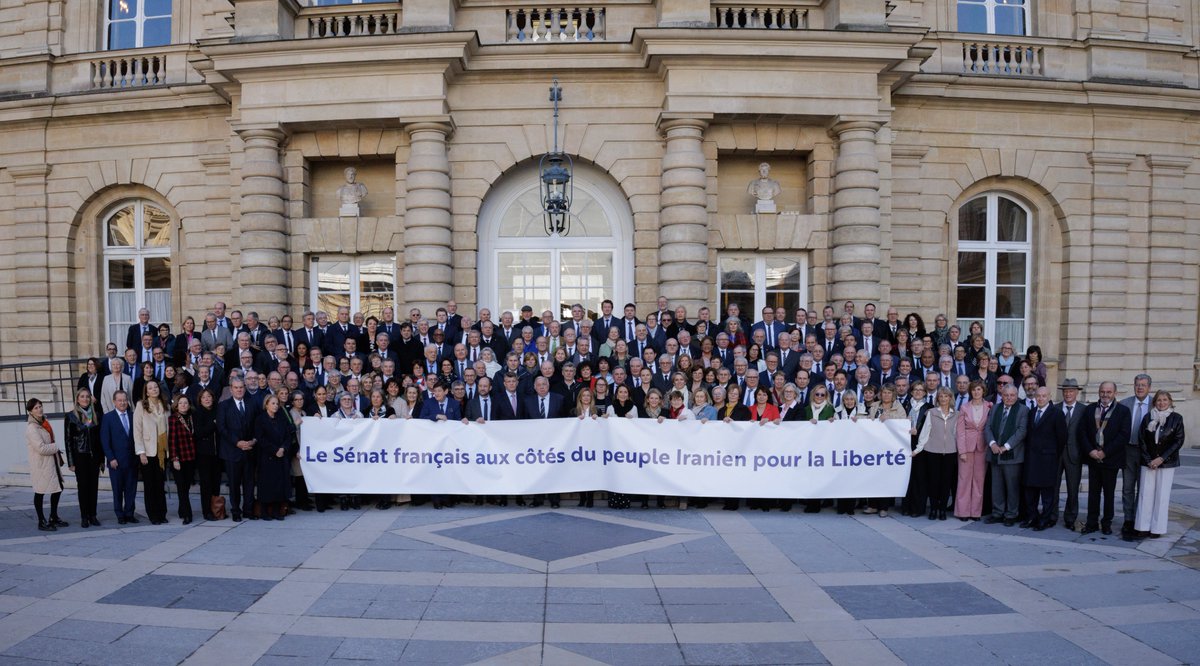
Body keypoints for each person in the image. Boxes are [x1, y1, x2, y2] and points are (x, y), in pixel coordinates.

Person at [1079, 381, 1130, 536]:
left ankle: (1107, 523)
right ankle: (1092, 522)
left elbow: (1123, 435)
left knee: (1109, 494)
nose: (1105, 395)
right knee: (1093, 493)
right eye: (1102, 391)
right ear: (1099, 392)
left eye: (1109, 392)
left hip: (1111, 459)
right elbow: (1082, 432)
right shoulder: (1089, 409)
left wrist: (1105, 452)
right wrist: (1090, 450)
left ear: (1115, 393)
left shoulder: (1123, 411)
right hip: (1093, 458)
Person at [1135, 390, 1184, 539]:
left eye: (1165, 400)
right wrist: (1148, 459)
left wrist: (1161, 458)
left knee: (1161, 496)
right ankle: (1143, 527)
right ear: (1154, 402)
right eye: (1159, 400)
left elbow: (1178, 441)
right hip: (1148, 462)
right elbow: (1141, 439)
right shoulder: (1148, 417)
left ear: (1170, 401)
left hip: (1166, 462)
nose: (1162, 403)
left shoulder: (1176, 418)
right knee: (1145, 494)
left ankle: (1157, 528)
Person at [1022, 386, 1067, 531]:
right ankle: (1032, 517)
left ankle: (1045, 519)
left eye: (1044, 396)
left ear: (1049, 397)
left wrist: (1052, 454)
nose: (1040, 398)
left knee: (1047, 493)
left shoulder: (1057, 413)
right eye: (1038, 396)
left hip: (1048, 459)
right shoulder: (1031, 412)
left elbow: (1062, 438)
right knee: (1031, 491)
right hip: (1031, 459)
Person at [983, 385, 1027, 526]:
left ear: (1017, 396)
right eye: (1006, 395)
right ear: (1001, 396)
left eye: (1012, 395)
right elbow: (987, 427)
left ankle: (1011, 514)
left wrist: (1006, 446)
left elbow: (1021, 431)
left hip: (1012, 455)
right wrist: (992, 444)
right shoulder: (995, 408)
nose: (1009, 398)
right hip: (995, 453)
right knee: (996, 486)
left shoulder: (1023, 410)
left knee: (1012, 487)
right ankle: (997, 513)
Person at [217, 377, 259, 522]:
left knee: (249, 483)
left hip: (250, 450)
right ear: (231, 389)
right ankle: (236, 511)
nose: (239, 390)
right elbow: (222, 428)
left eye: (241, 387)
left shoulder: (252, 403)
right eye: (236, 387)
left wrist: (254, 440)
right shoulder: (224, 405)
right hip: (232, 451)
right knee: (234, 484)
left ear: (245, 388)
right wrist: (237, 443)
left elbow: (257, 424)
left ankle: (248, 510)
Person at [1119, 374, 1152, 541]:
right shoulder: (1124, 404)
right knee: (1127, 487)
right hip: (1128, 450)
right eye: (1137, 384)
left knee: (1144, 488)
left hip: (1147, 453)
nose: (1140, 387)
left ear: (1149, 388)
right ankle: (1128, 519)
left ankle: (1141, 520)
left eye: (1143, 385)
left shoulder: (1156, 404)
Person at [917, 387, 958, 521]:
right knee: (933, 481)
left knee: (946, 482)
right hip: (932, 451)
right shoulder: (932, 413)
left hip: (950, 452)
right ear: (937, 398)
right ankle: (934, 508)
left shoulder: (956, 414)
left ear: (950, 398)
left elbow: (957, 434)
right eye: (941, 396)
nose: (943, 399)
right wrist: (918, 449)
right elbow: (925, 432)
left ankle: (942, 509)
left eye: (946, 396)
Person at [65, 388, 103, 528]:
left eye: (87, 396)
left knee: (93, 487)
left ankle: (93, 515)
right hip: (80, 456)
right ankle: (84, 516)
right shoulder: (71, 416)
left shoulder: (96, 415)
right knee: (83, 487)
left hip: (94, 457)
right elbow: (68, 440)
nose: (85, 399)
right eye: (82, 396)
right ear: (77, 399)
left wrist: (101, 460)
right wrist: (70, 461)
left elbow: (99, 439)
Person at [26, 398, 67, 532]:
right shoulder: (32, 428)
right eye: (36, 408)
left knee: (58, 488)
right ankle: (41, 521)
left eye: (40, 406)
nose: (39, 409)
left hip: (51, 462)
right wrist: (56, 447)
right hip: (41, 464)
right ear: (30, 411)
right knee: (40, 491)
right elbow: (41, 448)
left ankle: (53, 516)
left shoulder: (44, 422)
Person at [133, 380, 170, 525]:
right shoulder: (141, 405)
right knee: (150, 485)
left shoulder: (165, 405)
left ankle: (162, 513)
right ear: (146, 392)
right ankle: (153, 514)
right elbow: (137, 430)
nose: (154, 389)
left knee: (160, 484)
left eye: (156, 387)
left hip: (162, 451)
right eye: (150, 388)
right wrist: (140, 452)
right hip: (148, 451)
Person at [255, 394, 296, 521]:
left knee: (279, 484)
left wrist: (283, 448)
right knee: (267, 484)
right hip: (267, 457)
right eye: (273, 403)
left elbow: (288, 436)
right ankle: (264, 512)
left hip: (281, 455)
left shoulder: (281, 418)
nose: (276, 406)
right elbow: (261, 438)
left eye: (277, 404)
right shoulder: (260, 419)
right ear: (266, 404)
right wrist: (274, 450)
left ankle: (277, 511)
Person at [1051, 378, 1085, 531]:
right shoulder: (1055, 408)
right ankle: (1052, 516)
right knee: (1053, 487)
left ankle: (1070, 518)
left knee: (1073, 488)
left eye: (1071, 391)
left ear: (1076, 392)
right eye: (1065, 391)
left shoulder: (1083, 410)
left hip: (1074, 454)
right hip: (1056, 454)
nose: (1068, 394)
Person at [100, 390, 138, 524]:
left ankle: (129, 513)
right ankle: (120, 514)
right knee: (117, 490)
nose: (122, 403)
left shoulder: (133, 416)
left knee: (131, 489)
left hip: (132, 460)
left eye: (125, 400)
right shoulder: (108, 417)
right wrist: (111, 458)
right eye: (120, 400)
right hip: (116, 461)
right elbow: (105, 440)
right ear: (114, 402)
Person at [955, 380, 990, 521]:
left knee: (979, 480)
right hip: (966, 448)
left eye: (979, 389)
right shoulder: (964, 407)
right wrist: (962, 451)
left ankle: (975, 512)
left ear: (983, 391)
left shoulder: (989, 407)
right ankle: (963, 512)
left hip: (983, 447)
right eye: (974, 390)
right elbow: (960, 431)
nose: (976, 392)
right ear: (970, 391)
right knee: (964, 479)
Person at [167, 395, 198, 524]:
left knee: (186, 487)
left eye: (186, 403)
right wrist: (174, 459)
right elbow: (172, 440)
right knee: (181, 487)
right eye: (181, 403)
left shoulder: (192, 417)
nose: (183, 405)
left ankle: (181, 509)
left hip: (190, 456)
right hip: (179, 458)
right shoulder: (173, 419)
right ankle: (187, 514)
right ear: (176, 405)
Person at [192, 388, 221, 521]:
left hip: (217, 453)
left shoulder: (218, 410)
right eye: (204, 397)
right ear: (200, 400)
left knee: (216, 483)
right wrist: (213, 424)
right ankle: (207, 511)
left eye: (209, 396)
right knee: (206, 484)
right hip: (204, 454)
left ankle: (217, 509)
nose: (207, 399)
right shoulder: (197, 413)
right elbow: (199, 433)